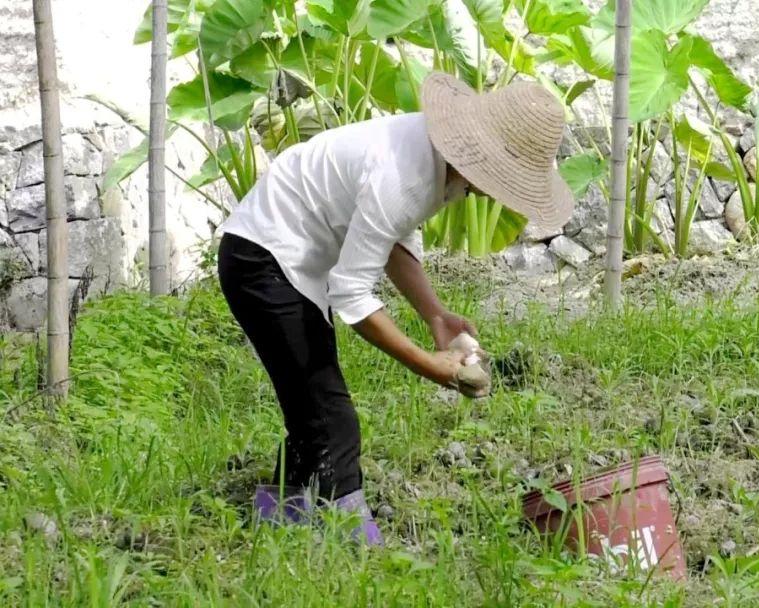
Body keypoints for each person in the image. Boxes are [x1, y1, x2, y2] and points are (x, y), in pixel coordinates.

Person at [215, 72, 574, 544]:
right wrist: (431, 366)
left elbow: (391, 237)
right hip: (263, 259)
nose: (499, 193)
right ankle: (359, 549)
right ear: (482, 159)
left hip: (286, 257)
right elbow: (352, 295)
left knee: (312, 408)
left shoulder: (433, 158)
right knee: (331, 417)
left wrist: (437, 317)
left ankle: (276, 519)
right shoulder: (405, 177)